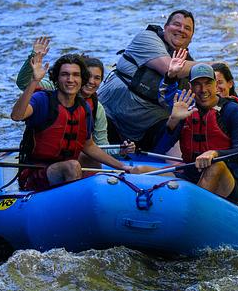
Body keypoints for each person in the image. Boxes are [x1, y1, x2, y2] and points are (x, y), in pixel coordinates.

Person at [13, 52, 143, 191]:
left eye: (76, 75)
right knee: (72, 166)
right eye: (65, 74)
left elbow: (89, 146)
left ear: (82, 79)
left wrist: (122, 166)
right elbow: (17, 115)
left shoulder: (84, 108)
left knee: (88, 161)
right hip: (36, 173)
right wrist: (34, 81)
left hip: (68, 166)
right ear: (57, 78)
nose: (70, 79)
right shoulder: (42, 99)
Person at [152, 63, 238, 201]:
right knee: (139, 171)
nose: (203, 89)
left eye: (208, 83)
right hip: (191, 178)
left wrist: (215, 153)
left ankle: (192, 207)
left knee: (215, 166)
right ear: (190, 86)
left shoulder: (232, 110)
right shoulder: (186, 109)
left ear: (215, 85)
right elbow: (159, 150)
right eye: (197, 84)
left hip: (228, 184)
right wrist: (173, 120)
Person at [98, 10, 200, 152]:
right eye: (177, 24)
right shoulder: (147, 38)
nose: (181, 30)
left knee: (184, 119)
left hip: (144, 134)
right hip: (110, 118)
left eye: (187, 28)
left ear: (191, 37)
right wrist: (214, 66)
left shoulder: (191, 68)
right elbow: (169, 67)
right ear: (165, 27)